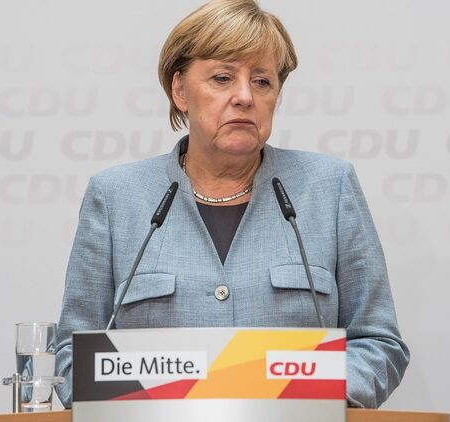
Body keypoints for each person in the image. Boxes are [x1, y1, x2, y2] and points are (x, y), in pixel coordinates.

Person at [55, 0, 409, 409]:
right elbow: (72, 359)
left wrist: (305, 397)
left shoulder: (329, 187)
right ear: (179, 90)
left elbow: (377, 344)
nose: (244, 96)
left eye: (262, 81)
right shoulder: (116, 196)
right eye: (222, 78)